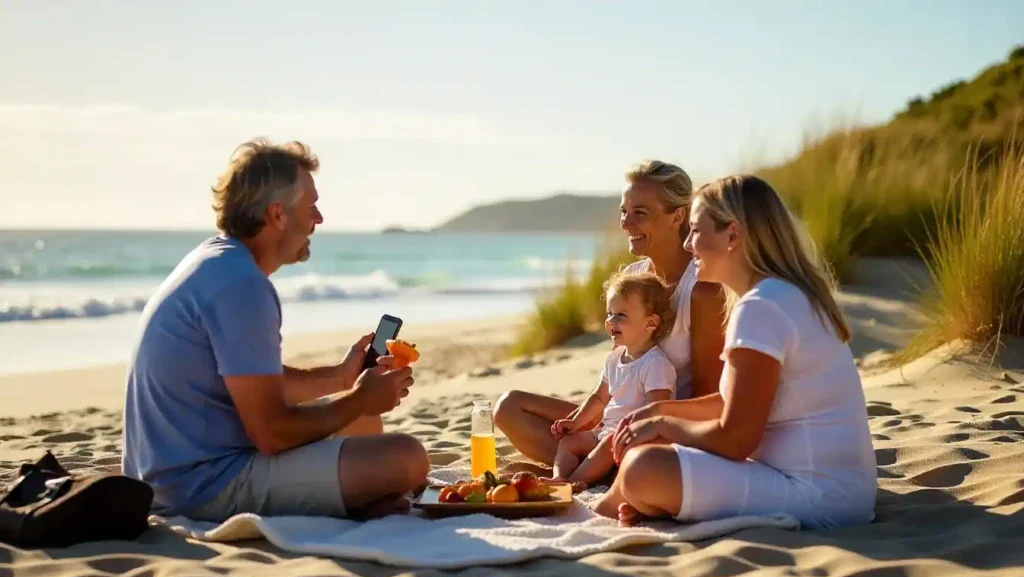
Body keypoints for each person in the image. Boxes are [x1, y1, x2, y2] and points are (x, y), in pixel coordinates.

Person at [121, 138, 429, 522]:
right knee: (406, 458)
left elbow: (254, 382)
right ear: (279, 214)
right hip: (199, 488)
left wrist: (340, 378)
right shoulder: (242, 285)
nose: (319, 219)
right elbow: (272, 434)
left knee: (360, 422)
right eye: (312, 206)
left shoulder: (217, 261)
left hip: (169, 474)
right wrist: (361, 398)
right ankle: (356, 499)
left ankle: (356, 499)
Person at [592, 174, 877, 530]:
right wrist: (660, 410)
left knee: (644, 466)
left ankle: (601, 511)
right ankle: (619, 505)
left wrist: (664, 424)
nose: (687, 245)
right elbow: (732, 403)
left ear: (732, 235)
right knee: (652, 449)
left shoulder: (762, 307)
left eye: (696, 231)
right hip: (834, 489)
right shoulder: (781, 294)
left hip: (818, 496)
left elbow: (736, 438)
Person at [494, 159, 726, 467]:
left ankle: (604, 468)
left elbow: (708, 400)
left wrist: (648, 425)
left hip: (666, 430)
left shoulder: (701, 290)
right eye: (623, 211)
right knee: (509, 407)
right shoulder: (633, 277)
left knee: (629, 454)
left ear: (678, 216)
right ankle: (599, 467)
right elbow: (619, 370)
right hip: (618, 418)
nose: (626, 224)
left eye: (640, 213)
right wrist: (585, 420)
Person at [550, 270, 676, 489]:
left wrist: (629, 433)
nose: (611, 321)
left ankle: (574, 482)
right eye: (609, 313)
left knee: (608, 443)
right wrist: (576, 422)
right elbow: (599, 397)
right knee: (570, 441)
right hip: (606, 432)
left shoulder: (655, 364)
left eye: (621, 315)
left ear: (651, 323)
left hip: (633, 439)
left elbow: (658, 409)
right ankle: (559, 478)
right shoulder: (615, 357)